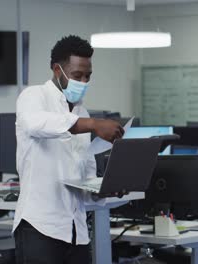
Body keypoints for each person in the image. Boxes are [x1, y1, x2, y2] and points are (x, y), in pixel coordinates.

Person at [12, 35, 124, 264]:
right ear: (57, 70)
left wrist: (102, 190)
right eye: (77, 75)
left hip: (76, 229)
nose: (83, 81)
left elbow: (84, 177)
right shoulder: (34, 96)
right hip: (40, 227)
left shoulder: (82, 114)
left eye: (88, 76)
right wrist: (92, 125)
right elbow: (37, 123)